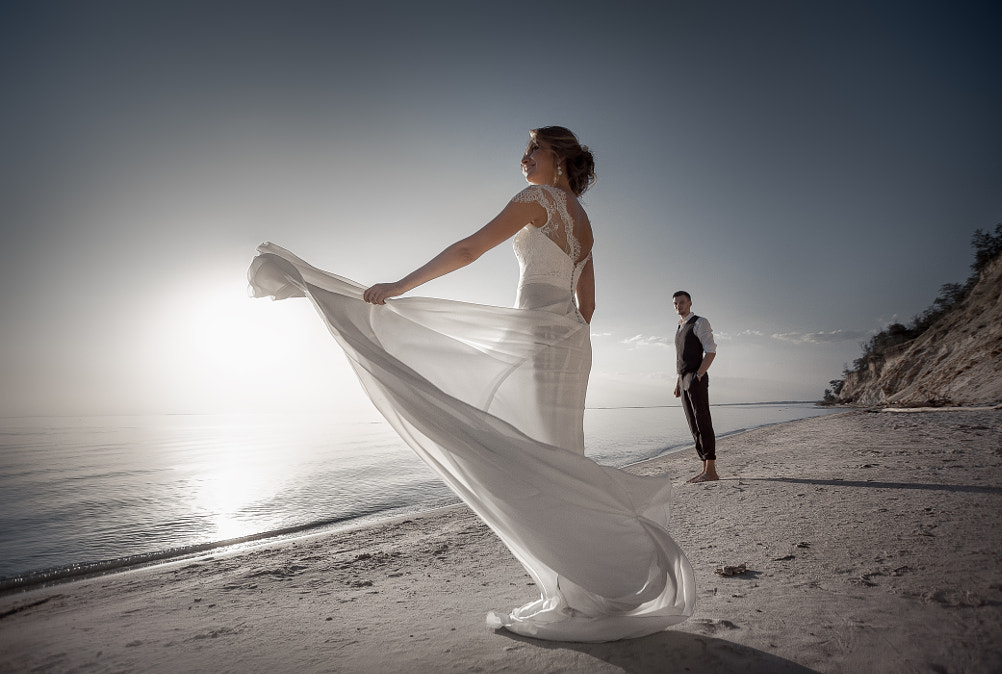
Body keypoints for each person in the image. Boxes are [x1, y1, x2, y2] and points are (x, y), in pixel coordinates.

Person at [248, 126, 695, 642]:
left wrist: (398, 286)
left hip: (536, 337)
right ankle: (583, 582)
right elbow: (588, 307)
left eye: (533, 149)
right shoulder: (584, 221)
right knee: (558, 455)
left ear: (558, 157)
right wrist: (557, 326)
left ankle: (584, 584)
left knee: (528, 456)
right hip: (569, 343)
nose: (524, 157)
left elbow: (467, 251)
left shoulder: (536, 199)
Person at [672, 290, 718, 483]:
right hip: (683, 380)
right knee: (693, 425)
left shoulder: (700, 322)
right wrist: (678, 383)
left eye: (681, 302)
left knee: (702, 421)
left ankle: (712, 470)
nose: (678, 306)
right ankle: (704, 468)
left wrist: (698, 375)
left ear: (690, 303)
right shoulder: (680, 326)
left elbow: (711, 351)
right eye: (675, 304)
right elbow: (681, 358)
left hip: (694, 377)